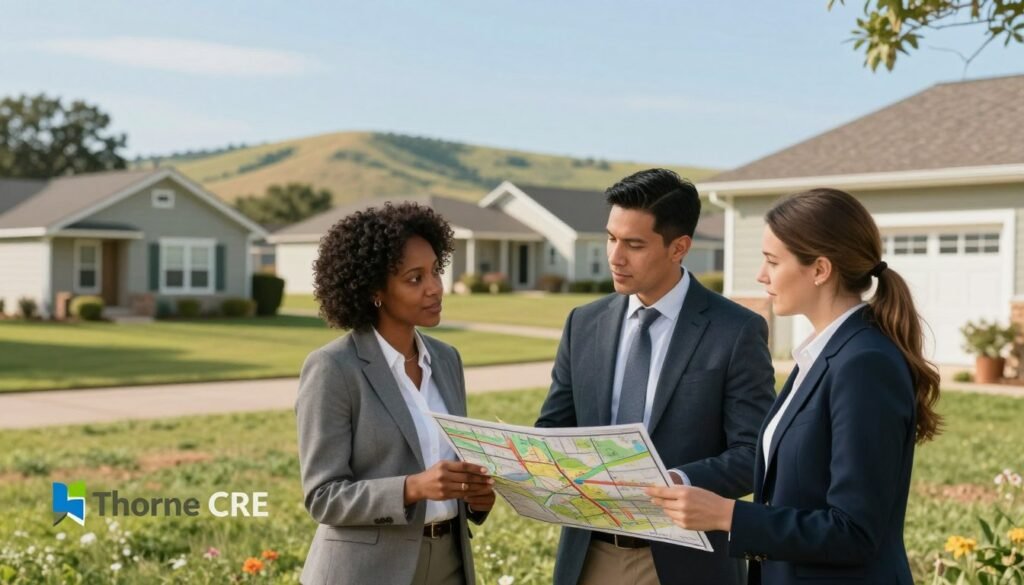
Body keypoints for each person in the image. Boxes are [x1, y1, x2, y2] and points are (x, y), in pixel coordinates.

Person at [646, 188, 942, 585]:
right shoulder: (821, 354)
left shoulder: (864, 363)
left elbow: (855, 531)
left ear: (820, 270)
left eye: (772, 261)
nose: (761, 275)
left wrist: (726, 515)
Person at [535, 168, 777, 585]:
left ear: (678, 247)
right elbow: (555, 428)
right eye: (611, 238)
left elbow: (754, 454)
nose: (615, 256)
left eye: (634, 244)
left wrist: (676, 482)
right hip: (589, 557)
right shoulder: (583, 323)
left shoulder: (735, 331)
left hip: (685, 562)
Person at [295, 202, 495, 585]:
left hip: (450, 562)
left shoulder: (447, 359)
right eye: (414, 278)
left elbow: (451, 469)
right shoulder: (333, 368)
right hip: (367, 571)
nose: (435, 287)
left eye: (435, 270)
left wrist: (475, 499)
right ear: (375, 291)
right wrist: (412, 487)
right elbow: (323, 496)